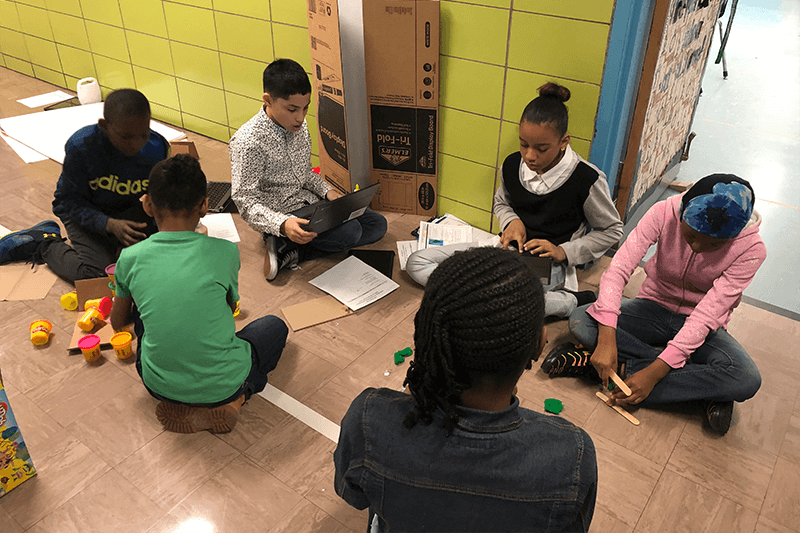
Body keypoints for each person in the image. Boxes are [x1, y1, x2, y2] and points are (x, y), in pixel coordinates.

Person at [335, 247, 597, 532]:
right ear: (539, 344)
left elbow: (354, 495)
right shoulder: (571, 453)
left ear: (426, 334)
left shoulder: (369, 418)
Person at [544, 174, 765, 435]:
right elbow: (618, 270)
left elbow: (706, 316)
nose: (697, 247)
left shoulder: (751, 249)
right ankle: (701, 387)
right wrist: (606, 339)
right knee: (583, 319)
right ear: (682, 213)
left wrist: (654, 373)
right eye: (691, 235)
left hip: (701, 325)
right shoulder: (664, 212)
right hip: (653, 308)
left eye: (714, 244)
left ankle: (615, 370)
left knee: (746, 378)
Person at [405, 83, 623, 318]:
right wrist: (511, 222)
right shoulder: (511, 165)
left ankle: (569, 301)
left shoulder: (586, 178)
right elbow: (501, 202)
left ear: (563, 142)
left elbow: (611, 230)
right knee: (416, 262)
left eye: (541, 148)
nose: (530, 156)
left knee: (510, 302)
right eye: (524, 144)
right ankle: (484, 297)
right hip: (504, 251)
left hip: (547, 265)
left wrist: (563, 251)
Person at [109, 154, 288, 434]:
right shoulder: (225, 251)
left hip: (157, 385)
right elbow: (227, 309)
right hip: (225, 385)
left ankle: (183, 391)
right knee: (274, 328)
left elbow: (118, 323)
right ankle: (237, 399)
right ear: (205, 206)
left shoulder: (129, 258)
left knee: (145, 317)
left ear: (147, 204)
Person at [229, 58, 387, 281]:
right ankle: (282, 239)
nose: (301, 118)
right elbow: (245, 200)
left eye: (305, 108)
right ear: (268, 101)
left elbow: (304, 174)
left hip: (310, 204)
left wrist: (328, 192)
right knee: (351, 233)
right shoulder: (248, 142)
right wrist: (281, 224)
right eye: (292, 109)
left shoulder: (298, 128)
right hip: (282, 213)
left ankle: (292, 249)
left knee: (377, 225)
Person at [0, 89, 170, 282]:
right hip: (83, 210)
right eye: (125, 137)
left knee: (137, 266)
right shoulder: (82, 147)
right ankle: (43, 242)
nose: (136, 144)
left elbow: (161, 195)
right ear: (105, 126)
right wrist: (108, 224)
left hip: (125, 208)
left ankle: (112, 244)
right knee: (96, 274)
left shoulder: (156, 149)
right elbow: (67, 202)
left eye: (143, 134)